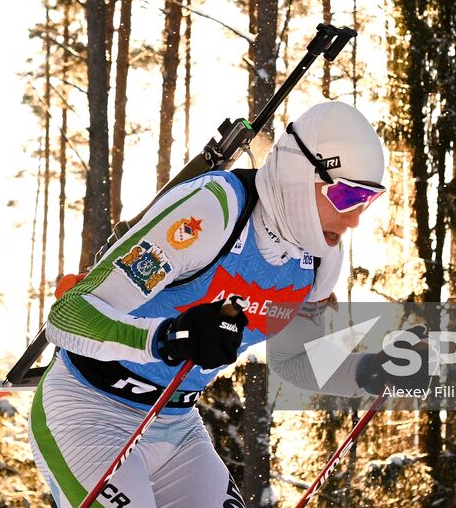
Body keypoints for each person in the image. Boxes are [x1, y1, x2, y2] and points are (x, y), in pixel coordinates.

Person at [28, 99, 389, 508]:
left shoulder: (322, 258)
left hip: (177, 426)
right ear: (299, 174)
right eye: (345, 196)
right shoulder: (211, 211)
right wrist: (167, 337)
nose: (355, 217)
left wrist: (369, 371)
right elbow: (68, 317)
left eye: (367, 200)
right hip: (87, 414)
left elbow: (294, 362)